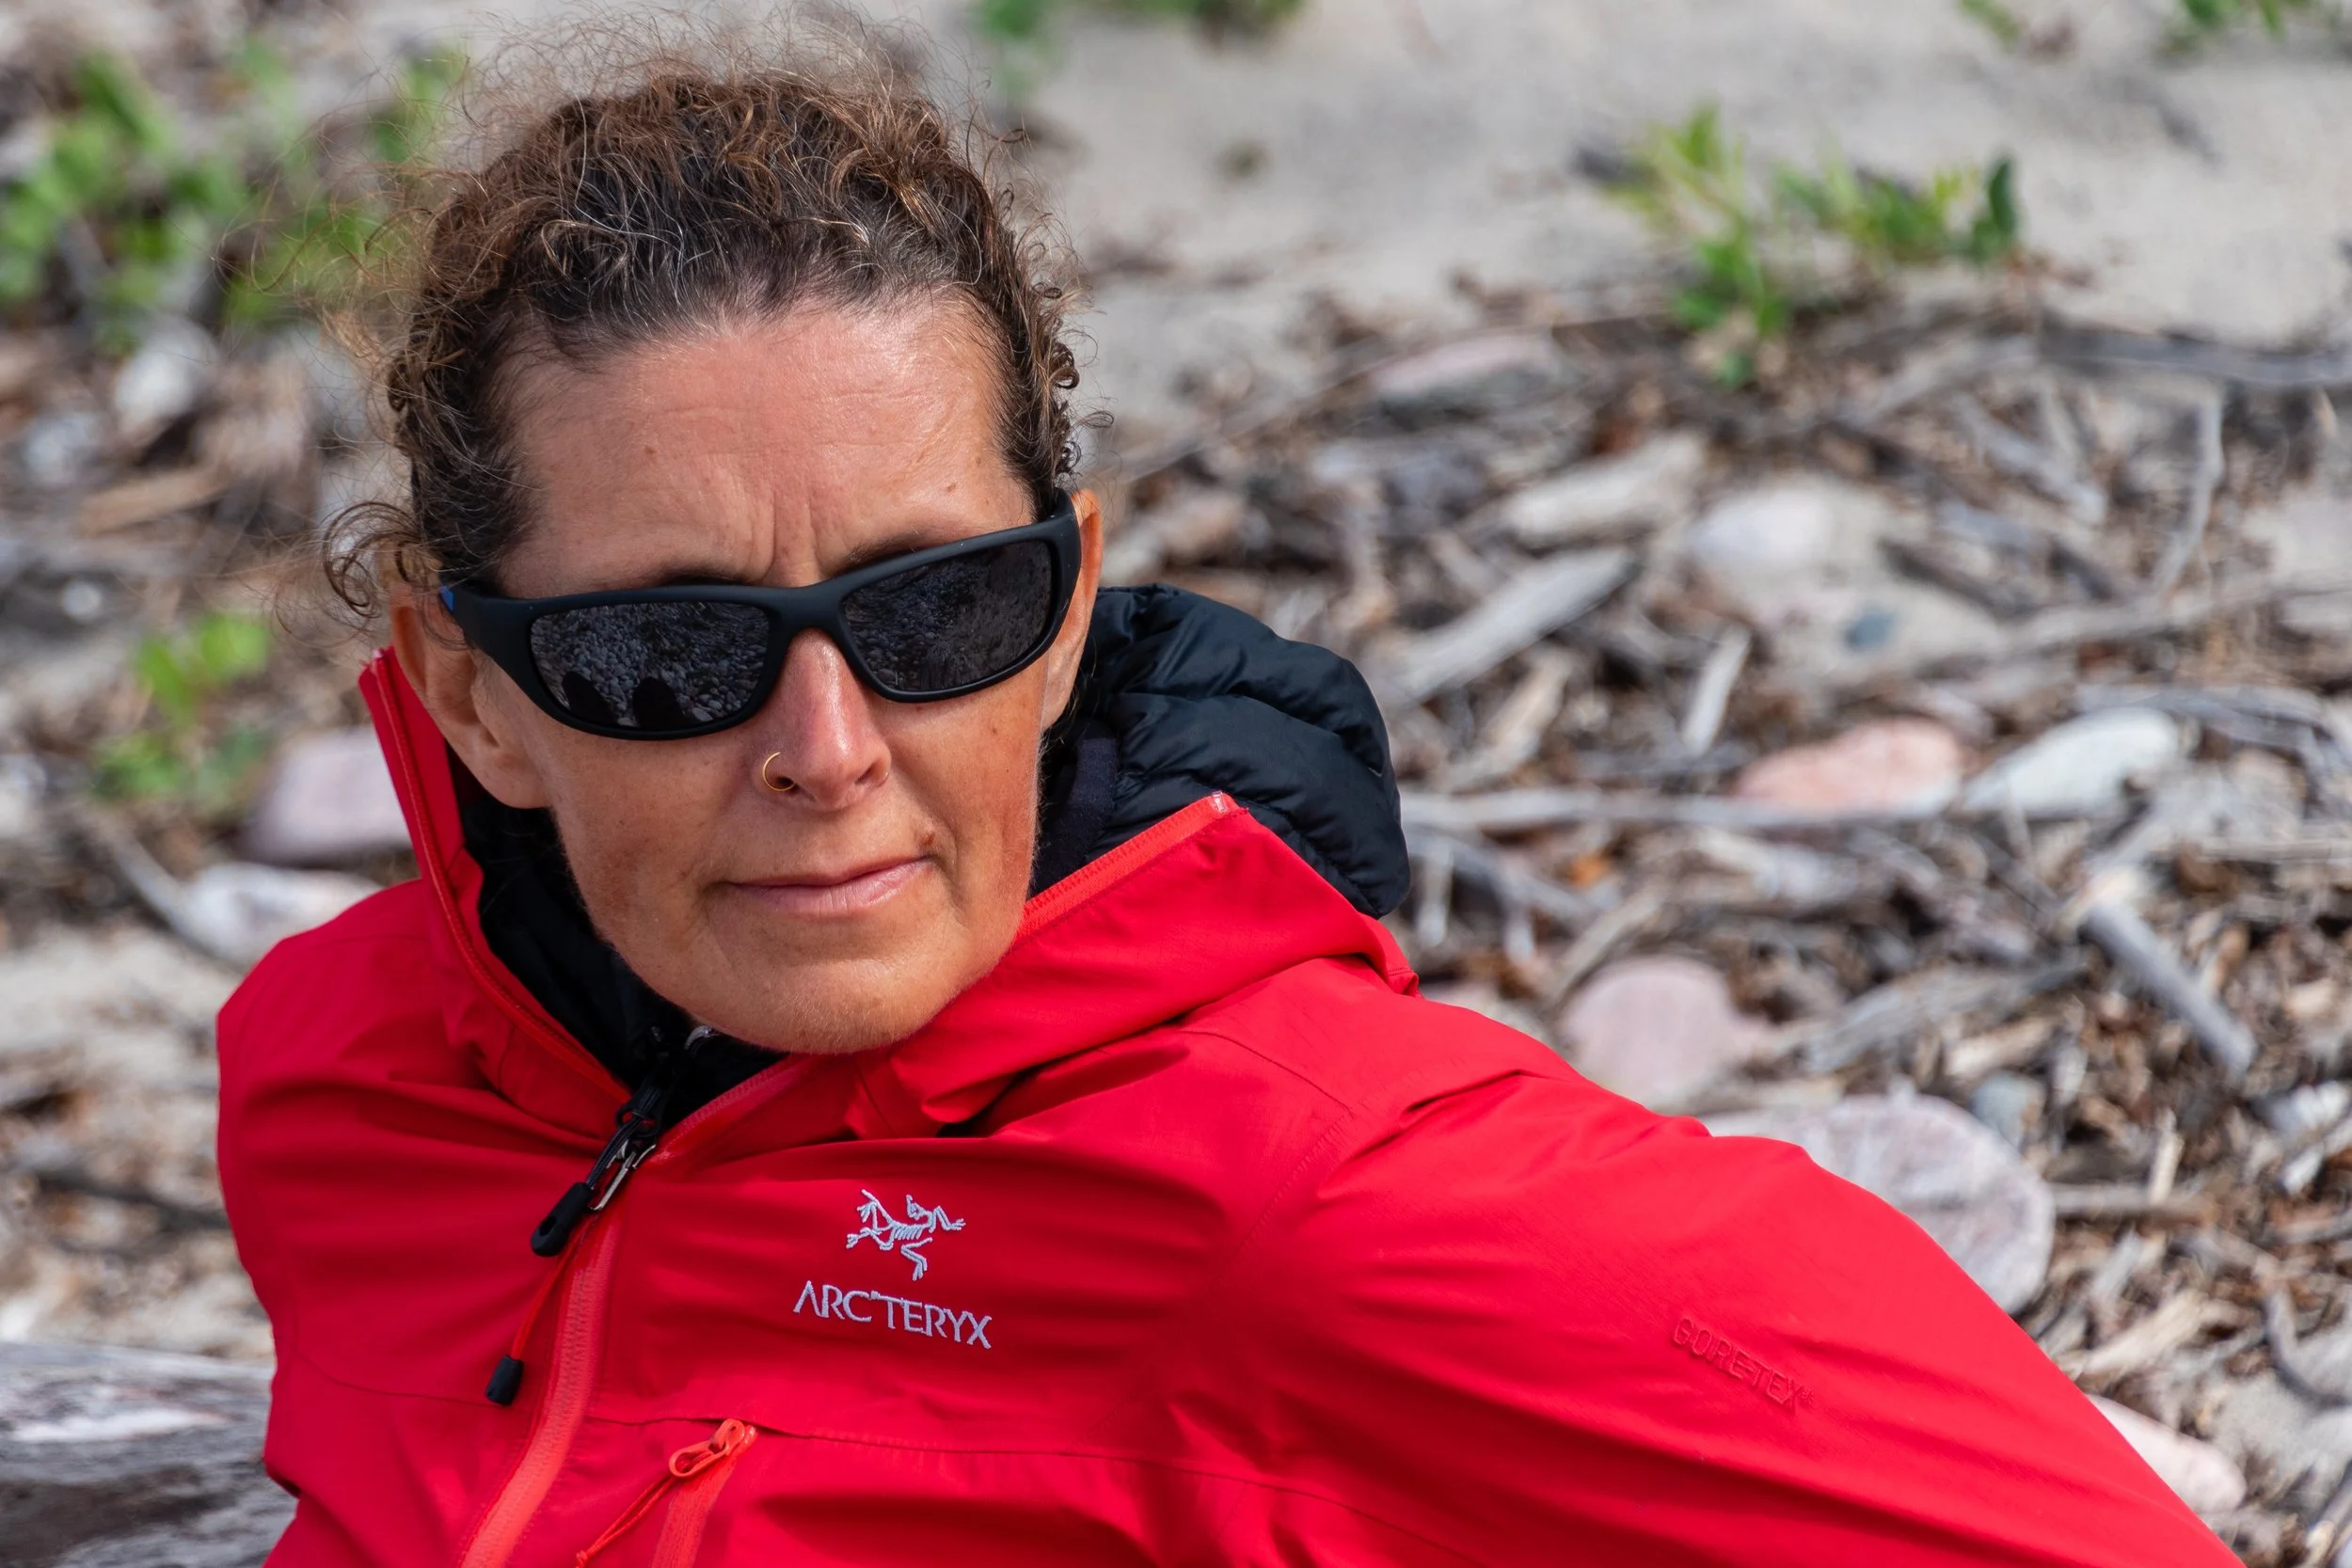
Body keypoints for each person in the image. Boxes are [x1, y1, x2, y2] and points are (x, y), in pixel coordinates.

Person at [216, 33, 2236, 1568]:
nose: (828, 745)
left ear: (1064, 607)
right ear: (472, 689)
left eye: (937, 609)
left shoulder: (1314, 1197)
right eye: (672, 648)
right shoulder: (344, 1085)